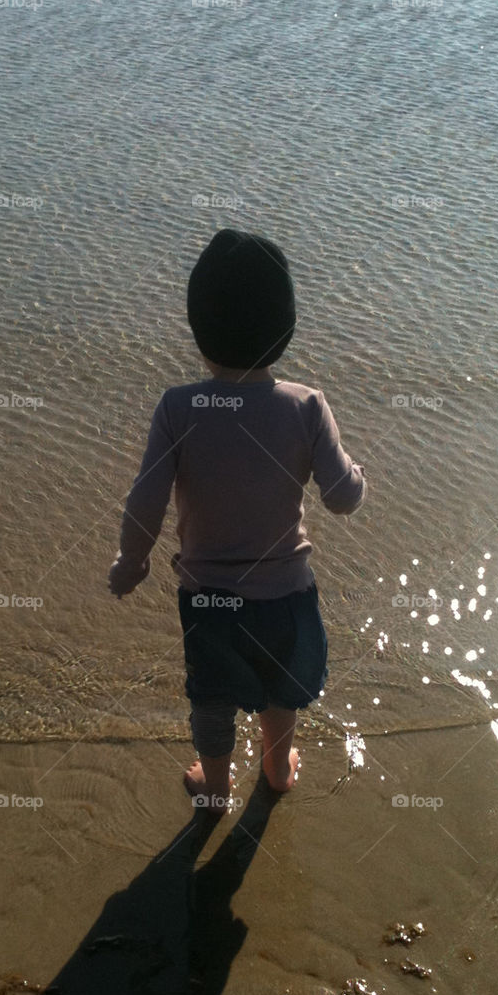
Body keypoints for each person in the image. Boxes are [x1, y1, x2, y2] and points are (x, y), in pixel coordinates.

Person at [108, 229, 366, 815]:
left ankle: (216, 787)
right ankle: (277, 769)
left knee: (213, 695)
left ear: (198, 330)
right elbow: (342, 497)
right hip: (286, 595)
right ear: (286, 328)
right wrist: (359, 477)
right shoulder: (306, 405)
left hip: (208, 598)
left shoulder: (179, 408)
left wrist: (132, 562)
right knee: (280, 690)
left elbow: (145, 499)